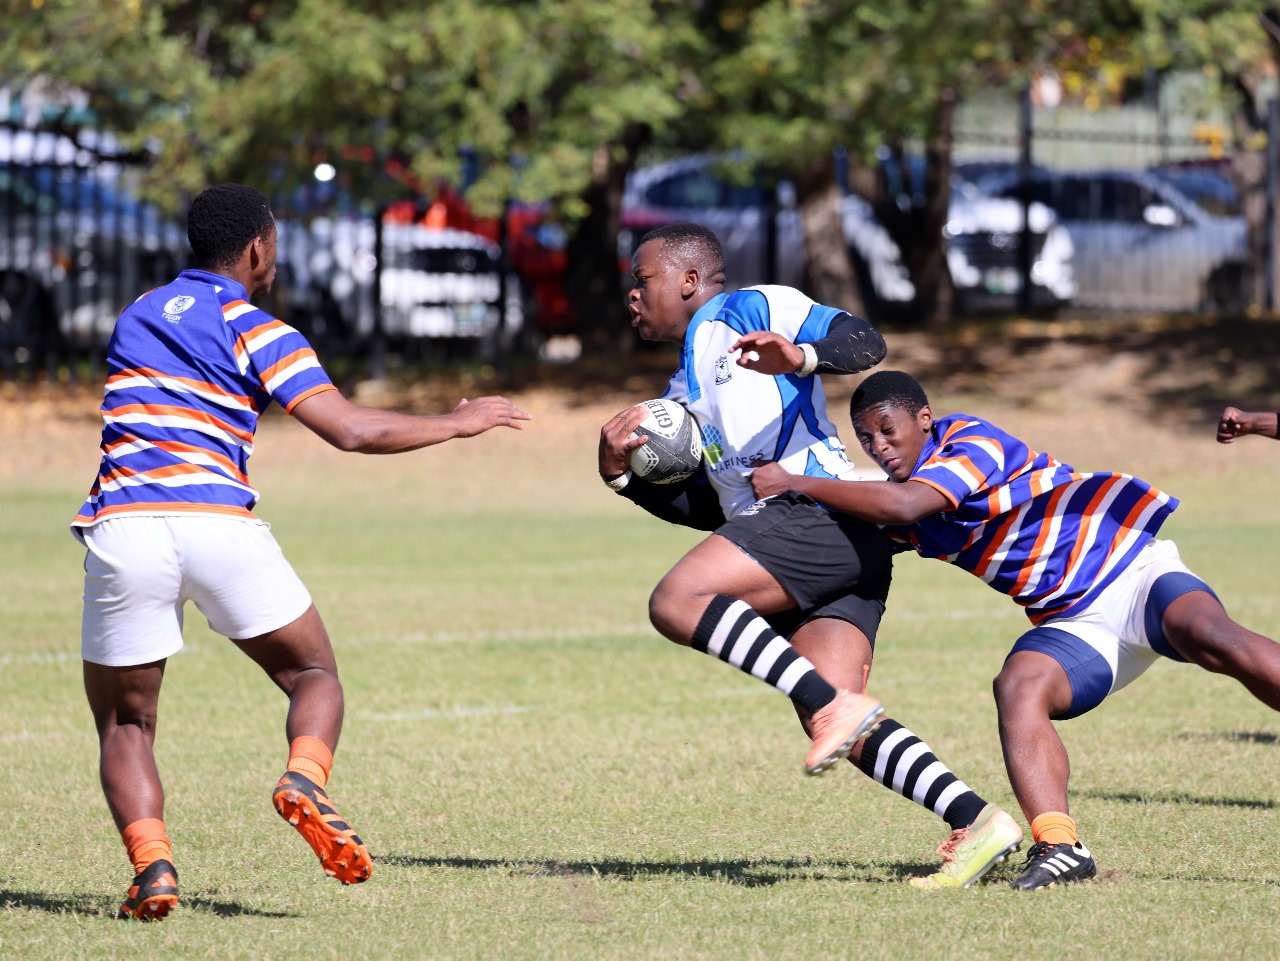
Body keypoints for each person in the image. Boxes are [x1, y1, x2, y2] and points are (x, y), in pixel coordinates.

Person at [73, 183, 532, 920]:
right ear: (257, 249)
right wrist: (457, 421)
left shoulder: (137, 314)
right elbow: (350, 429)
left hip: (124, 526)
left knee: (127, 723)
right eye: (275, 245)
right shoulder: (260, 329)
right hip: (218, 522)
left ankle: (153, 867)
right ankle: (304, 778)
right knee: (315, 672)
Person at [599, 222, 1023, 889]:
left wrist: (799, 356)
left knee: (676, 601)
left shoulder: (750, 307)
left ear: (687, 279)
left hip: (821, 514)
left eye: (640, 279)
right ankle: (979, 820)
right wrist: (620, 475)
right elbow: (718, 514)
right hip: (816, 537)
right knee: (830, 705)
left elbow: (865, 341)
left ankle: (837, 709)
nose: (631, 294)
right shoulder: (687, 387)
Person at [751, 369, 1280, 890]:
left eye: (889, 430)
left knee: (1215, 638)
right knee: (1018, 685)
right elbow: (868, 522)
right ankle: (1061, 846)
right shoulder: (900, 502)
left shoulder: (970, 442)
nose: (880, 446)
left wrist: (795, 481)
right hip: (1073, 622)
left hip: (1133, 571)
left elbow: (907, 503)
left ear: (924, 419)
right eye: (867, 438)